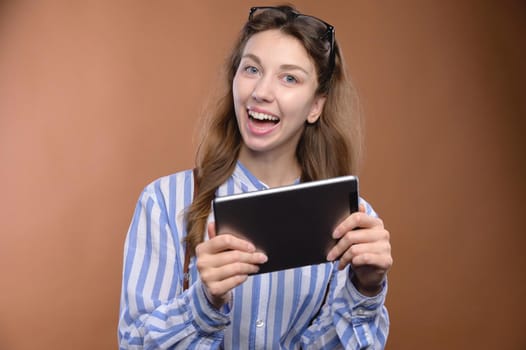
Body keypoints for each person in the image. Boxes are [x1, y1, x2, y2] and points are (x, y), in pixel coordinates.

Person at [118, 5, 392, 349]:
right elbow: (134, 344)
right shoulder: (164, 202)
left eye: (289, 77)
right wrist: (204, 304)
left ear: (315, 106)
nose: (261, 91)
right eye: (251, 69)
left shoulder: (350, 223)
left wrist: (365, 290)